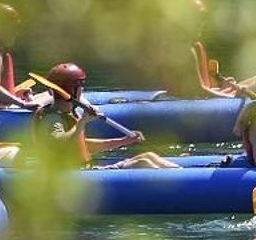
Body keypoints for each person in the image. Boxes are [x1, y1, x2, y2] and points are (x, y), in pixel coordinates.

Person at [37, 63, 179, 169]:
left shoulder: (68, 113)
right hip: (73, 176)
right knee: (144, 163)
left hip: (86, 170)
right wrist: (83, 121)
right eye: (80, 85)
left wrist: (123, 141)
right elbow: (59, 143)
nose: (83, 89)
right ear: (71, 89)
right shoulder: (52, 117)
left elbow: (83, 145)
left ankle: (180, 174)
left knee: (149, 156)